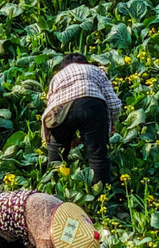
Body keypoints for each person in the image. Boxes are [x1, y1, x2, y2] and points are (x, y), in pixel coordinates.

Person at [42, 53, 121, 185]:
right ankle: (101, 192)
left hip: (61, 107)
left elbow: (50, 103)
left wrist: (63, 134)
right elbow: (114, 103)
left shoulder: (58, 76)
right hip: (92, 104)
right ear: (85, 63)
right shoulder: (96, 70)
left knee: (57, 147)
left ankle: (53, 186)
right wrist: (110, 124)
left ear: (64, 66)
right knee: (97, 156)